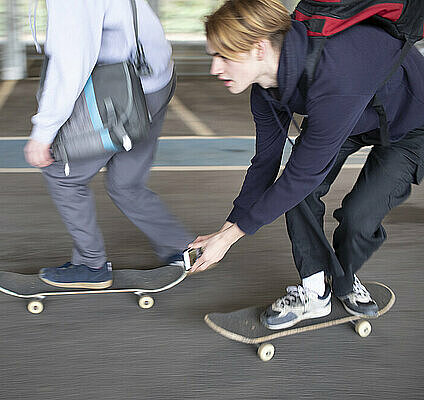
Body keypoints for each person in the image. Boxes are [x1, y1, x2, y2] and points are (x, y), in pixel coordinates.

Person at [188, 0, 424, 329]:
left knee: (358, 216)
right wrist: (227, 228)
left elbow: (303, 174)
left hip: (411, 123)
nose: (215, 69)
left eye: (223, 56)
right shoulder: (265, 91)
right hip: (348, 118)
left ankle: (345, 280)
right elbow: (264, 165)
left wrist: (230, 239)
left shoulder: (334, 70)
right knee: (296, 192)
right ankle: (314, 292)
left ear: (258, 49)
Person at [24, 0, 193, 289]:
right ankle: (182, 248)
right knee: (126, 183)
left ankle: (90, 266)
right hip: (155, 81)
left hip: (123, 95)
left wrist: (44, 132)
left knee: (62, 174)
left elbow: (71, 61)